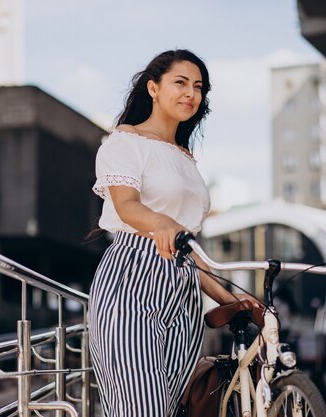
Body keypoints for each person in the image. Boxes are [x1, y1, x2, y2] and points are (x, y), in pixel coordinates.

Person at [88, 49, 259, 417]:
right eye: (180, 83)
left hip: (184, 296)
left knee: (167, 409)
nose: (191, 94)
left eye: (198, 87)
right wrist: (161, 223)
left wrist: (231, 299)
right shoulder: (125, 141)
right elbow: (127, 206)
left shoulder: (185, 158)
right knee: (140, 408)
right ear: (153, 87)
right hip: (132, 280)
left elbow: (190, 251)